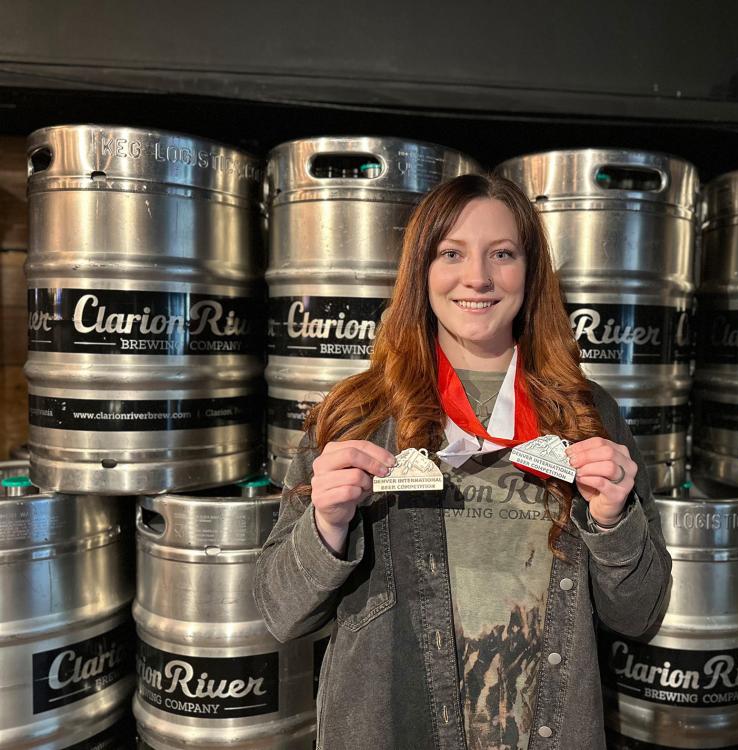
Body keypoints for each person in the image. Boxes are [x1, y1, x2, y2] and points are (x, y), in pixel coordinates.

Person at [254, 173, 671, 750]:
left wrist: (613, 522)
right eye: (452, 253)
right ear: (421, 270)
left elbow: (641, 615)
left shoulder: (587, 415)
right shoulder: (357, 413)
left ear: (531, 272)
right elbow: (281, 614)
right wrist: (325, 527)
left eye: (502, 254)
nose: (477, 277)